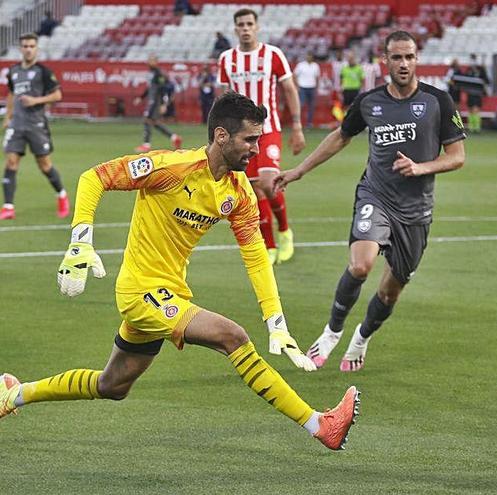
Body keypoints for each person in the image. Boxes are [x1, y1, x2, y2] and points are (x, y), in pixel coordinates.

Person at [0, 92, 359, 451]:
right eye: (250, 140)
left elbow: (255, 256)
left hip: (169, 291)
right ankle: (319, 424)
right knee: (232, 337)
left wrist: (276, 321)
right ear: (221, 136)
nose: (256, 148)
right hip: (140, 291)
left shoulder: (239, 193)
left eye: (259, 140)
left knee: (113, 385)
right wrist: (80, 241)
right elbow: (95, 178)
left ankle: (13, 394)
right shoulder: (172, 168)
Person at [273, 31, 466, 373]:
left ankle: (361, 338)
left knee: (390, 292)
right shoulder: (369, 102)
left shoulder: (438, 101)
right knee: (361, 265)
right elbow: (340, 137)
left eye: (409, 57)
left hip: (416, 211)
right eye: (396, 57)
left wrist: (421, 167)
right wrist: (299, 171)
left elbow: (457, 156)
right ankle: (332, 331)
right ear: (384, 61)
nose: (403, 64)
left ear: (416, 59)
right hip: (375, 196)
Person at [217, 8, 306, 265]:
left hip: (269, 130)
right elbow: (223, 97)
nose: (245, 28)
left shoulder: (273, 55)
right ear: (235, 29)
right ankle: (268, 245)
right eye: (241, 25)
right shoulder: (226, 59)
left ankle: (285, 230)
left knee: (268, 183)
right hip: (240, 135)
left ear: (257, 27)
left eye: (249, 24)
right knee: (254, 191)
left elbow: (289, 89)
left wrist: (297, 126)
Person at [2, 33, 68, 221]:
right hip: (17, 125)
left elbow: (57, 96)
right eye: (25, 46)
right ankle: (8, 207)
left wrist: (36, 100)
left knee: (45, 165)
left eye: (32, 46)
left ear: (36, 49)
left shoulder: (44, 72)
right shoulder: (13, 71)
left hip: (36, 125)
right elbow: (11, 95)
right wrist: (8, 117)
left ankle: (61, 195)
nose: (28, 49)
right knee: (11, 162)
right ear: (20, 48)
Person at [134, 56, 182, 153]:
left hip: (156, 101)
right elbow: (149, 88)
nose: (149, 62)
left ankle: (146, 145)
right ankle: (174, 137)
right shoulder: (152, 73)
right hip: (152, 100)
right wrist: (141, 97)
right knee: (154, 122)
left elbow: (164, 89)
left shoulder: (159, 74)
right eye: (148, 60)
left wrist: (164, 104)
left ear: (156, 62)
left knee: (147, 120)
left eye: (151, 60)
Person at [294, 53, 319, 128]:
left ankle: (309, 123)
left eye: (310, 56)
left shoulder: (315, 66)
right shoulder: (301, 65)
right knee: (300, 105)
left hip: (312, 87)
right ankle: (298, 122)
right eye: (308, 56)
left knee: (311, 106)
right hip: (302, 87)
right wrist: (297, 86)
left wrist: (316, 87)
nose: (309, 57)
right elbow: (294, 75)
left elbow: (317, 77)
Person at [464, 53, 488, 133]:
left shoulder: (481, 69)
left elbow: (487, 80)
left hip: (477, 93)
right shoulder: (469, 70)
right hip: (470, 92)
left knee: (476, 109)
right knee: (470, 110)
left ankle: (477, 127)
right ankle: (471, 127)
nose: (472, 61)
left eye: (473, 59)